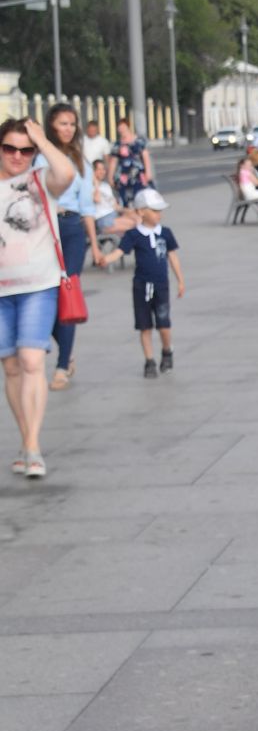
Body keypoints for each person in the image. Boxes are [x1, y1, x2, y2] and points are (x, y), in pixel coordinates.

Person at [1, 115, 74, 478]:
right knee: (12, 367)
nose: (17, 155)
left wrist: (42, 140)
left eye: (25, 149)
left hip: (37, 287)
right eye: (9, 148)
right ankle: (26, 441)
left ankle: (32, 446)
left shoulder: (40, 180)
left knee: (31, 359)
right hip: (0, 293)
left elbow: (68, 173)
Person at [44, 105, 97, 392]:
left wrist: (96, 246)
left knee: (67, 294)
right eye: (62, 123)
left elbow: (87, 208)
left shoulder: (81, 163)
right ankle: (67, 351)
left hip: (73, 230)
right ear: (50, 125)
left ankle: (62, 365)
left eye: (71, 124)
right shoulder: (38, 158)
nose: (67, 129)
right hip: (45, 231)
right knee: (47, 297)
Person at [118, 187, 184, 378]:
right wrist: (105, 258)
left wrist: (180, 280)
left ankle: (167, 350)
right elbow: (121, 251)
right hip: (141, 286)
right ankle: (149, 361)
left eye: (159, 211)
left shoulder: (166, 233)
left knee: (164, 325)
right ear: (141, 212)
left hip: (161, 285)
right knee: (144, 326)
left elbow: (173, 256)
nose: (159, 215)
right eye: (154, 211)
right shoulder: (134, 235)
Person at [106, 117, 152, 206]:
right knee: (125, 199)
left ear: (128, 127)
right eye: (119, 127)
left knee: (141, 198)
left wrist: (148, 172)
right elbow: (113, 161)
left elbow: (145, 156)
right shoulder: (117, 144)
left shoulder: (139, 140)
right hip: (123, 176)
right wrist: (110, 176)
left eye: (123, 127)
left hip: (138, 174)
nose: (121, 129)